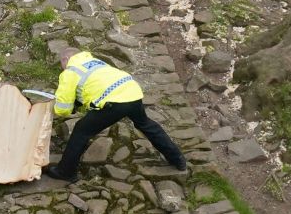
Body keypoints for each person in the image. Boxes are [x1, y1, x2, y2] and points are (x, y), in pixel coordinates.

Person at [47, 48, 188, 183]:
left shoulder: (70, 71)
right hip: (132, 92)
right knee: (145, 124)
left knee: (81, 130)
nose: (62, 67)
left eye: (62, 63)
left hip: (114, 102)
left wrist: (58, 108)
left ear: (66, 59)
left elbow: (63, 109)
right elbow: (93, 87)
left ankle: (66, 171)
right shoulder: (95, 62)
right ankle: (177, 159)